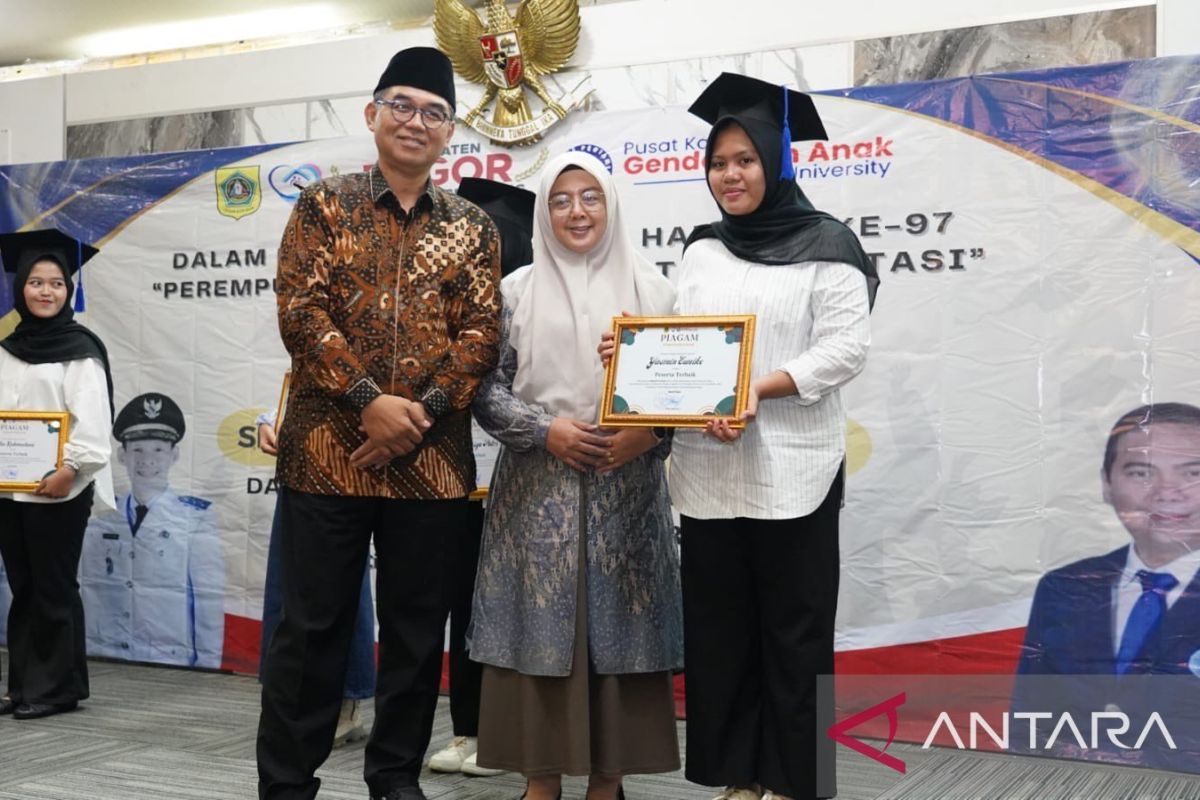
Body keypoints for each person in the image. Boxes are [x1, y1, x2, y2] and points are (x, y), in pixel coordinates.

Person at [601, 73, 876, 800]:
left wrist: (758, 387)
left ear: (777, 161)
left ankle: (793, 781)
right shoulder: (701, 249)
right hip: (708, 470)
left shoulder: (830, 244)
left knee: (794, 632)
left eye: (746, 160)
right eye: (719, 162)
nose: (730, 175)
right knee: (721, 633)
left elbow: (845, 350)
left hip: (794, 468)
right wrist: (633, 361)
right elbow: (686, 346)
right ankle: (737, 778)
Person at [256, 46, 501, 800]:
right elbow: (301, 312)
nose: (415, 121)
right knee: (310, 630)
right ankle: (287, 783)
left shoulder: (475, 227)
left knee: (417, 634)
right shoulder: (323, 205)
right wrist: (369, 400)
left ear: (450, 132)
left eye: (434, 112)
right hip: (326, 455)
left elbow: (480, 338)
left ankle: (395, 779)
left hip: (431, 462)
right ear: (372, 115)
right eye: (402, 105)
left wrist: (418, 414)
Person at [469, 150, 683, 800]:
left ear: (611, 204)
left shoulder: (656, 290)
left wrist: (647, 430)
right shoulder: (514, 291)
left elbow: (687, 390)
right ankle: (540, 781)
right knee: (538, 628)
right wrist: (546, 431)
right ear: (543, 212)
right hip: (537, 490)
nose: (577, 211)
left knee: (619, 631)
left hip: (627, 488)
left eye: (591, 197)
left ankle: (607, 783)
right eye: (560, 200)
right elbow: (484, 390)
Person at [1014, 402, 1200, 769]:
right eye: (1141, 472)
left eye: (1193, 473)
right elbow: (1029, 717)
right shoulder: (1064, 587)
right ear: (1106, 484)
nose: (1167, 492)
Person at [425, 176, 534, 778]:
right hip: (458, 477)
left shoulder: (532, 303)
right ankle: (471, 728)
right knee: (465, 602)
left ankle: (517, 733)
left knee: (526, 605)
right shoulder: (443, 305)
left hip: (527, 472)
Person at [0, 228, 115, 720]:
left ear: (69, 290)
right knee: (23, 585)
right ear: (20, 288)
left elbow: (94, 420)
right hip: (11, 490)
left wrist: (71, 469)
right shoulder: (6, 347)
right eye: (36, 282)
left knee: (53, 585)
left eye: (56, 283)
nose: (46, 291)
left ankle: (56, 689)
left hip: (62, 488)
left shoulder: (80, 349)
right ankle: (24, 686)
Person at [256, 408, 375, 747]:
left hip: (351, 451)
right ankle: (291, 698)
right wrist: (271, 418)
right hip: (303, 457)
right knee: (289, 584)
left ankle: (346, 701)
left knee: (342, 582)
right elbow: (303, 382)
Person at [80, 392, 225, 668]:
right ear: (122, 455)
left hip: (167, 660)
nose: (147, 460)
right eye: (137, 450)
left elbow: (208, 600)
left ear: (174, 455)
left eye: (158, 450)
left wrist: (208, 665)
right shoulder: (101, 512)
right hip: (103, 654)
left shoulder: (196, 517)